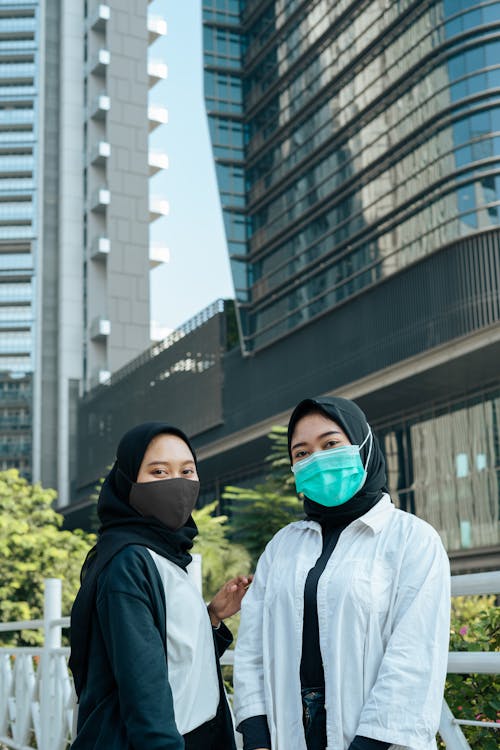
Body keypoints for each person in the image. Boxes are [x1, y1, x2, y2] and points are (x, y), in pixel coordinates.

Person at [234, 396, 450, 750]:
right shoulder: (281, 547)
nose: (317, 459)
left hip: (372, 737)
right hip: (287, 730)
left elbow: (414, 657)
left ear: (363, 444)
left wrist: (369, 744)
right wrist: (257, 735)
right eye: (301, 453)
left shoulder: (412, 540)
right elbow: (252, 651)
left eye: (331, 444)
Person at [70, 421, 251, 750]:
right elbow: (143, 688)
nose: (177, 484)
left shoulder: (164, 556)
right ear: (128, 482)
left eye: (186, 471)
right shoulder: (130, 562)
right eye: (158, 472)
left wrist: (211, 616)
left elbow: (175, 660)